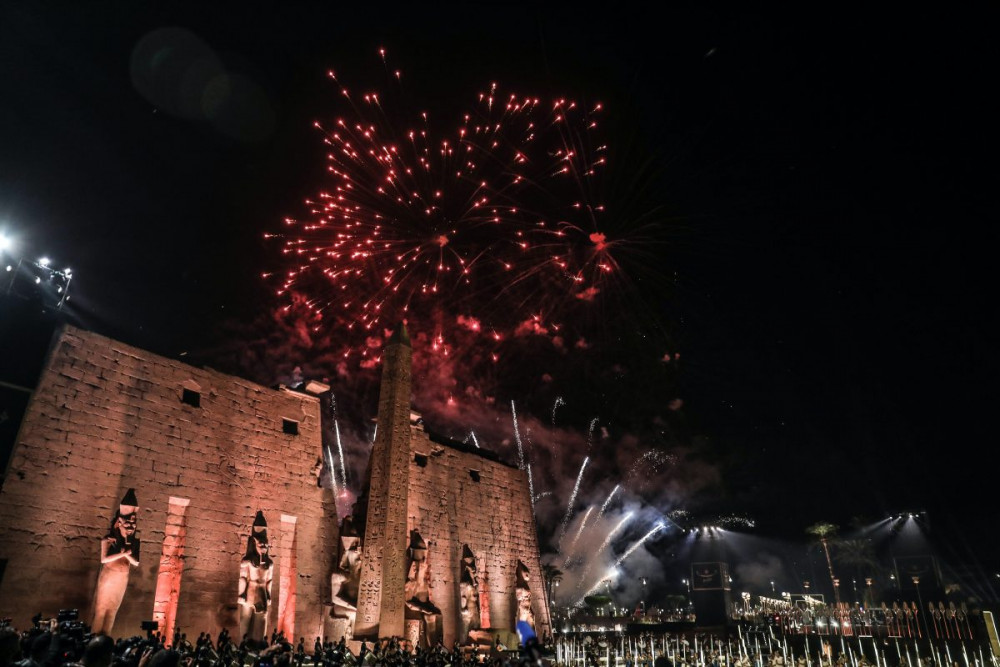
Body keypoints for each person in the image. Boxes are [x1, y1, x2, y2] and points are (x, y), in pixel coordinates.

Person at [92, 490, 141, 635]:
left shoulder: (134, 542)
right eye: (128, 524)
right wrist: (122, 553)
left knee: (113, 610)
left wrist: (126, 554)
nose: (131, 527)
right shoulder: (108, 540)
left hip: (122, 577)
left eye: (133, 524)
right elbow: (104, 559)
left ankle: (106, 639)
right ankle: (95, 639)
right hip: (109, 575)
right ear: (118, 523)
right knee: (101, 609)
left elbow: (136, 563)